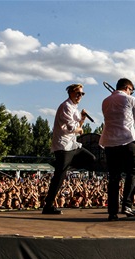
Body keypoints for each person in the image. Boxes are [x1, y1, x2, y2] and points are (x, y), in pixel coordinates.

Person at [42, 83, 96, 214]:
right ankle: (48, 206)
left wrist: (82, 118)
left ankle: (67, 166)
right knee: (59, 178)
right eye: (78, 93)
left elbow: (78, 125)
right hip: (63, 146)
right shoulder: (66, 106)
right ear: (71, 93)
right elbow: (74, 128)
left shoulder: (74, 108)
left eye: (82, 94)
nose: (80, 96)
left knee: (91, 158)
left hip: (72, 145)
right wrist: (81, 129)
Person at [99, 78, 135, 221]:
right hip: (126, 140)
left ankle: (112, 212)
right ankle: (127, 204)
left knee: (114, 177)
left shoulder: (105, 101)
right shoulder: (131, 100)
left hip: (109, 142)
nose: (131, 92)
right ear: (127, 87)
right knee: (132, 172)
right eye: (131, 89)